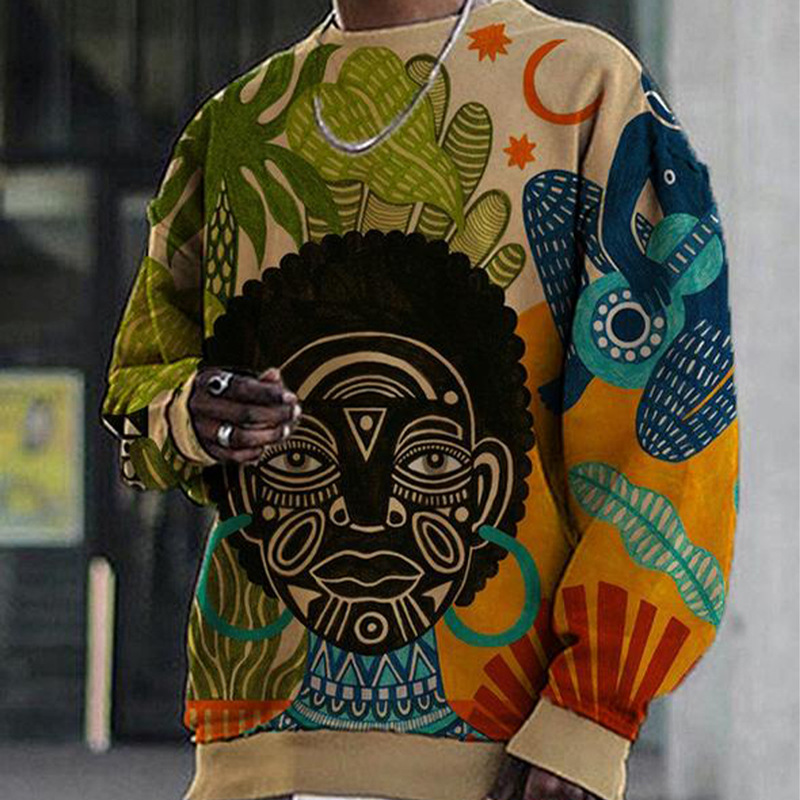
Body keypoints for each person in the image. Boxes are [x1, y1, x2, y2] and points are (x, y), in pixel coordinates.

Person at [100, 1, 740, 799]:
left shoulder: (586, 87)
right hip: (252, 742)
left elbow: (670, 424)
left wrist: (587, 718)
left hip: (501, 748)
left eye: (429, 456)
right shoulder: (236, 122)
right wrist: (188, 410)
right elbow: (140, 390)